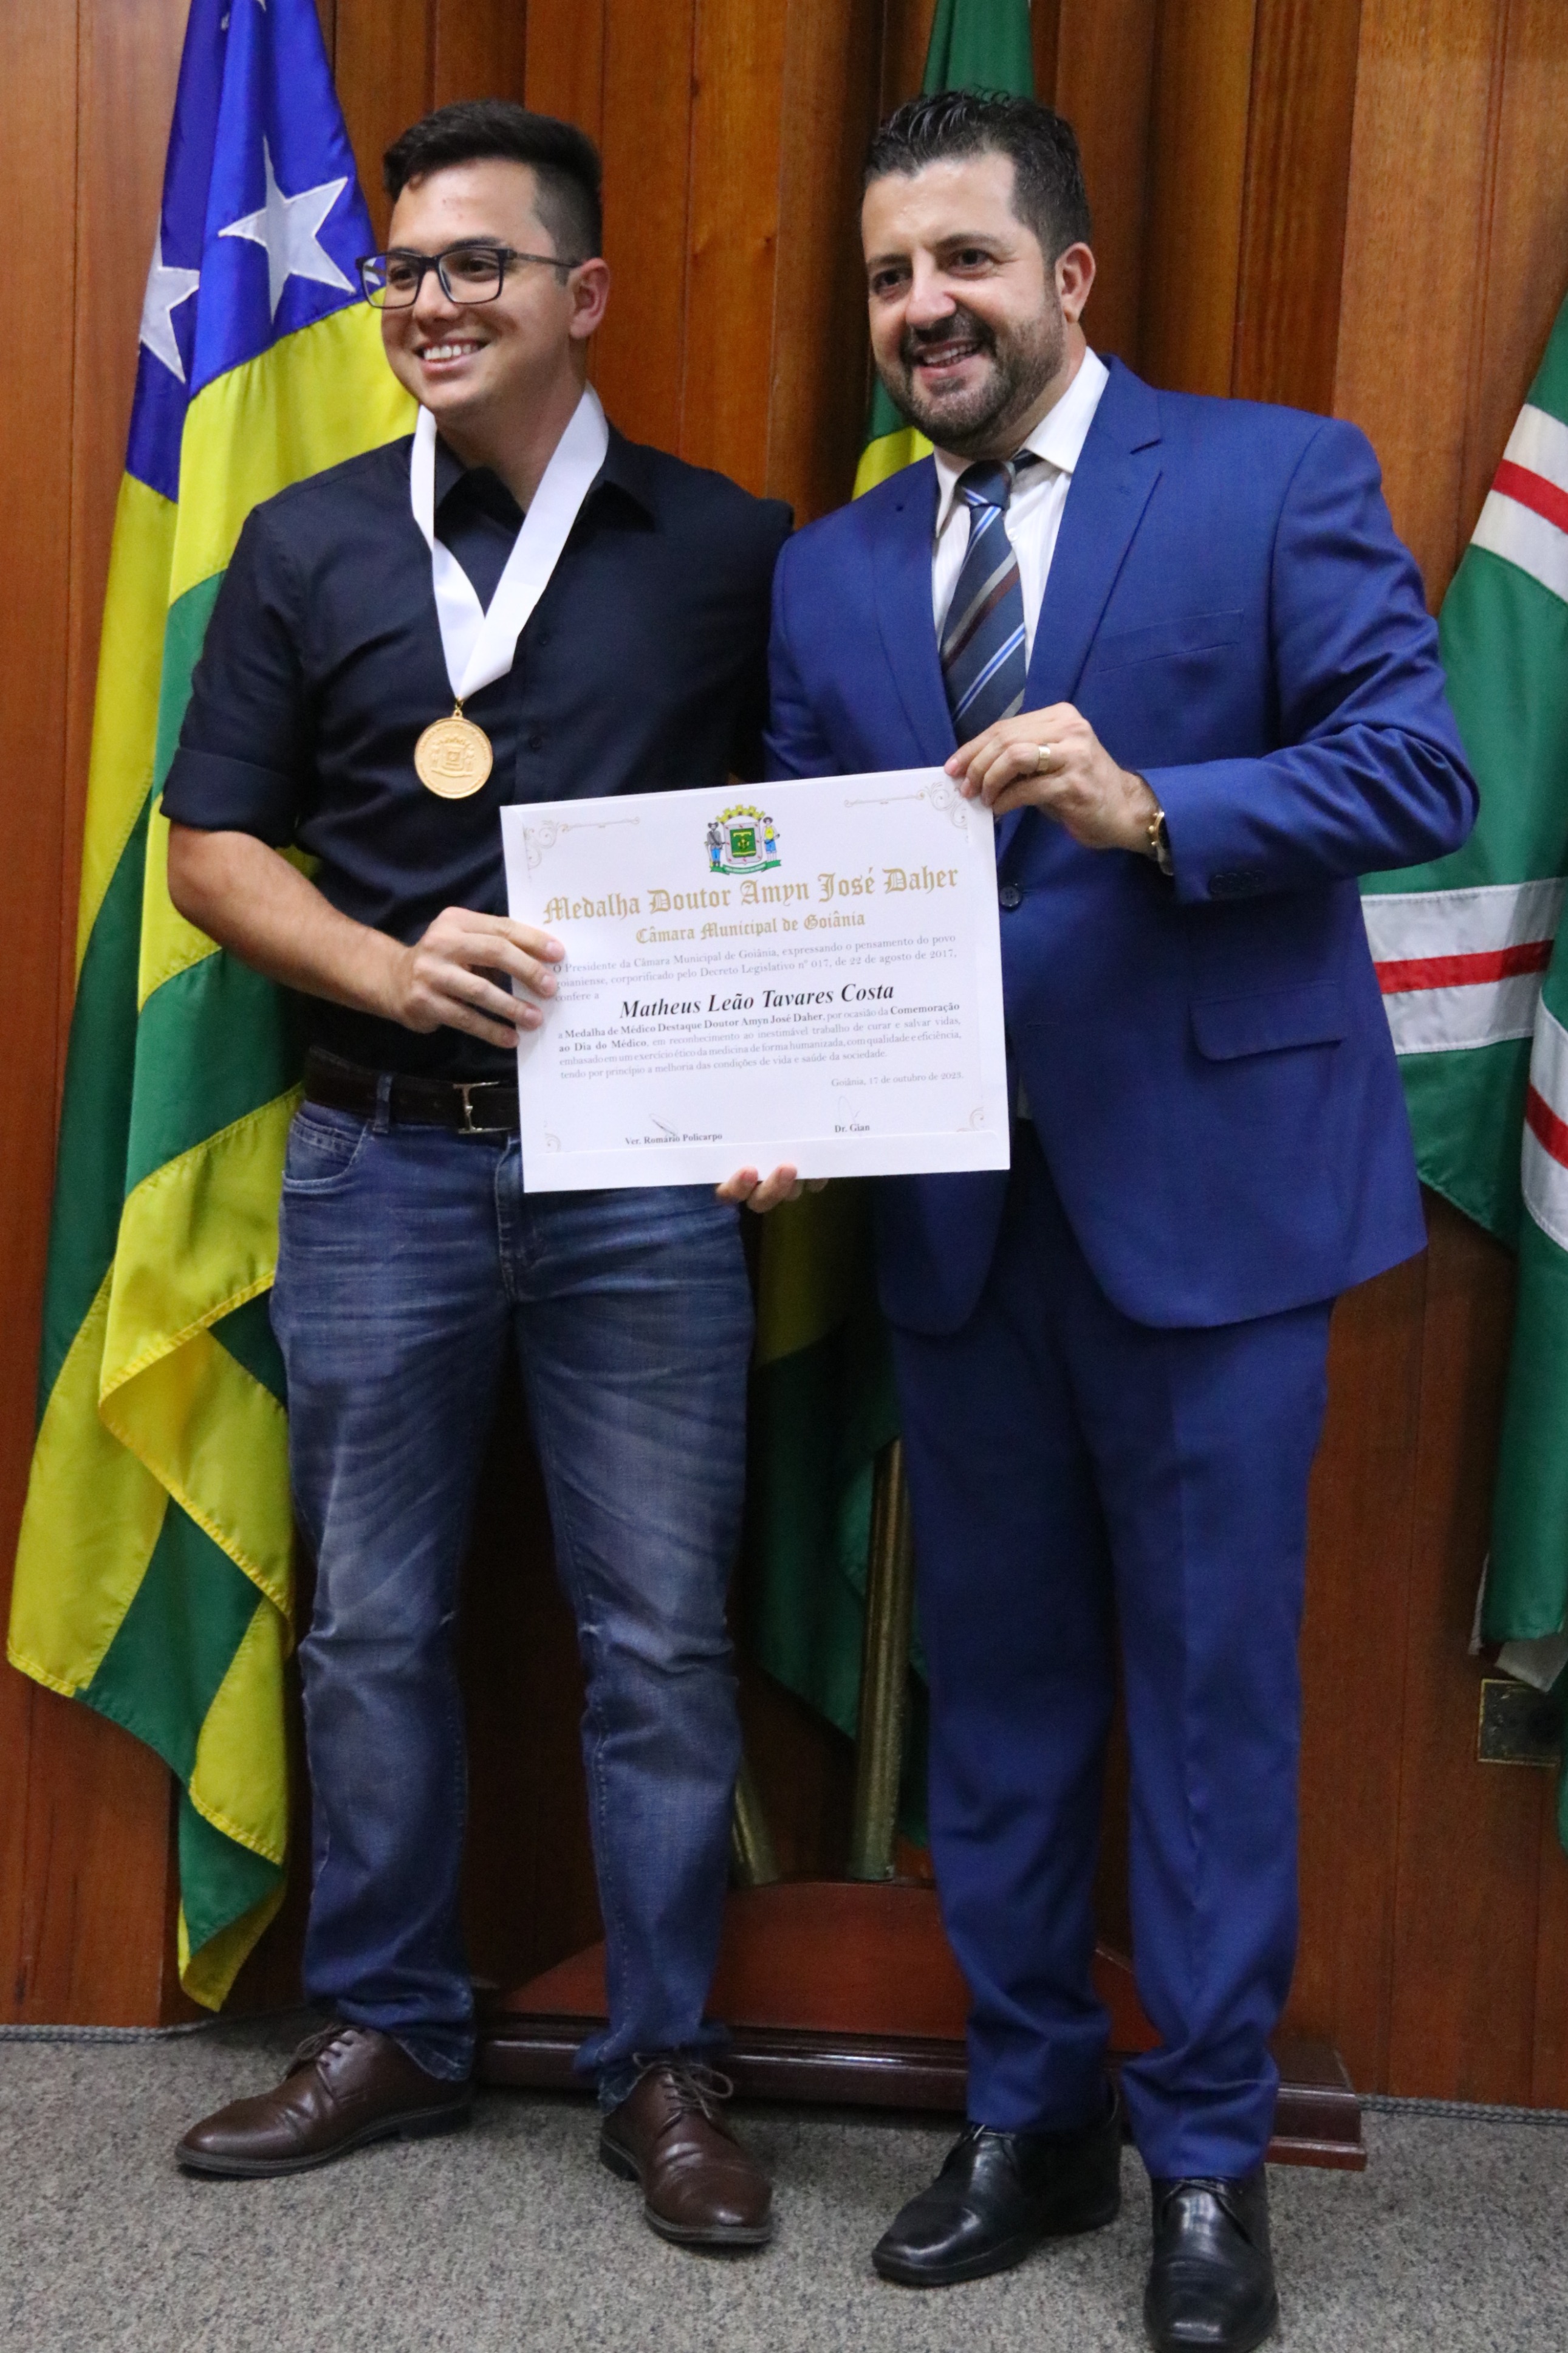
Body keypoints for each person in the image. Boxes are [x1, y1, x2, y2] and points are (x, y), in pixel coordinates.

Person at [754, 90, 1476, 2351]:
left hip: (1214, 1213)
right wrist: (769, 1092)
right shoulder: (832, 571)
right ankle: (1031, 2116)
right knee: (1002, 1702)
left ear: (1068, 275)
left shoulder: (1275, 478)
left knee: (1212, 1701)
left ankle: (1210, 2158)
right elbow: (801, 885)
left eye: (964, 261)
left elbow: (1416, 766)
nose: (924, 308)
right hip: (957, 1221)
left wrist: (1152, 803)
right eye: (890, 275)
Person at [163, 98, 792, 2250]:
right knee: (371, 1629)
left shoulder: (732, 552)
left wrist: (798, 1094)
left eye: (476, 267)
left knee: (662, 1643)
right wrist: (383, 964)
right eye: (402, 271)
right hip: (379, 1165)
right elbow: (211, 847)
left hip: (648, 1186)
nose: (428, 303)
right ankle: (394, 2027)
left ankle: (667, 2063)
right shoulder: (309, 544)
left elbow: (814, 849)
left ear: (581, 292)